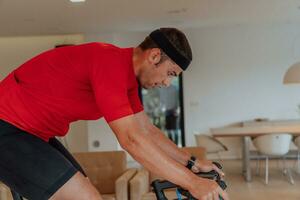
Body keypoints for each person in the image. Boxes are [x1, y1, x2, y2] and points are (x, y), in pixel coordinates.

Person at [0, 28, 229, 200]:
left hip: (34, 134)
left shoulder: (127, 80)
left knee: (85, 190)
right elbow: (130, 139)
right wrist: (192, 183)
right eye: (170, 73)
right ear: (154, 56)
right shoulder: (109, 62)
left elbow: (146, 131)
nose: (167, 83)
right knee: (85, 196)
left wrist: (193, 163)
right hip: (8, 127)